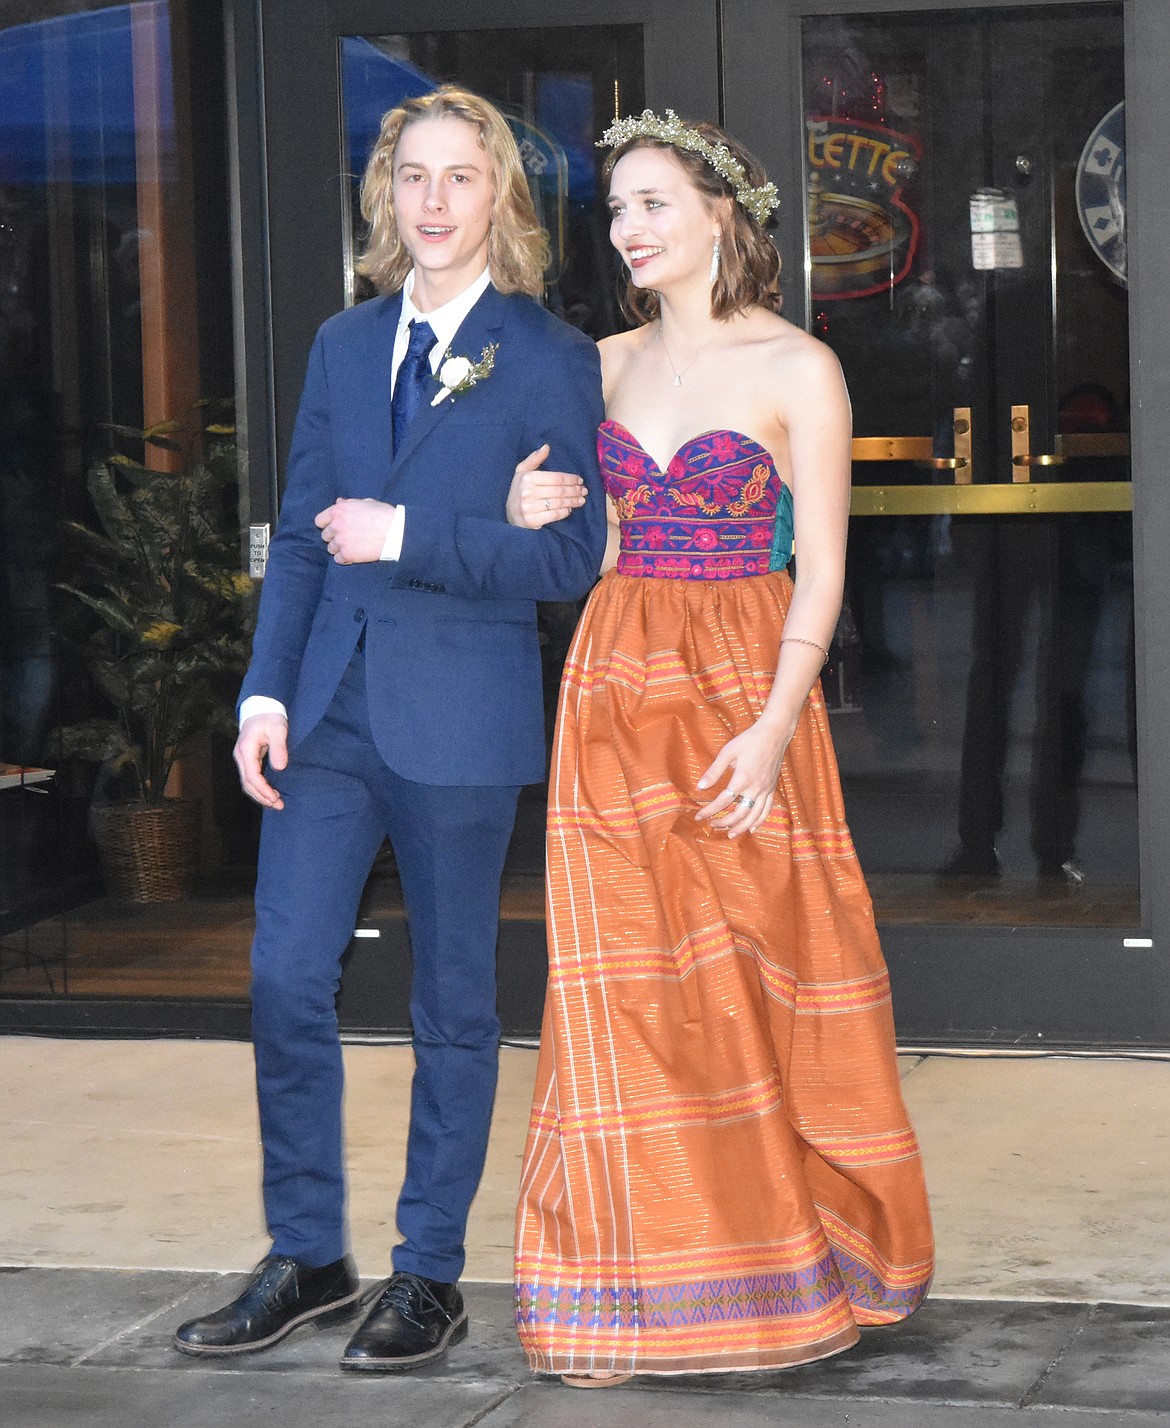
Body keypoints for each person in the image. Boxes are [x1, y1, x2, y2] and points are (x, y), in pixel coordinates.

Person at [173, 86, 607, 1372]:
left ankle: (428, 1274)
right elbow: (306, 537)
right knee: (282, 975)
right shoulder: (343, 346)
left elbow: (578, 552)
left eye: (460, 178)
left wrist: (417, 533)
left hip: (461, 720)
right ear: (385, 198)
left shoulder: (545, 355)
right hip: (327, 713)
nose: (432, 201)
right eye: (412, 177)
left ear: (500, 202)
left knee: (452, 1004)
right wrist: (262, 692)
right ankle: (308, 1253)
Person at [508, 110, 934, 1384]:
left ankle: (785, 1259)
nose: (630, 230)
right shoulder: (594, 365)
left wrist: (773, 727)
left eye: (653, 205)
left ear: (720, 218)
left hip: (749, 688)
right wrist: (522, 506)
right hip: (613, 686)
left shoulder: (800, 365)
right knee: (627, 990)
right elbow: (573, 537)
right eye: (619, 210)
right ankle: (637, 1284)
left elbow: (825, 576)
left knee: (757, 976)